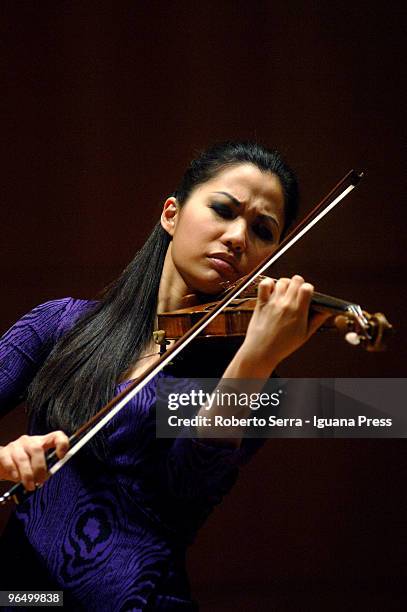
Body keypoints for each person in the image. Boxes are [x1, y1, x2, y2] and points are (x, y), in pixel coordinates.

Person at [0, 141, 329, 610]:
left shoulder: (255, 385)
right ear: (171, 215)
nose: (238, 237)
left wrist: (254, 361)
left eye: (262, 230)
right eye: (222, 209)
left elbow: (184, 494)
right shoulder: (58, 325)